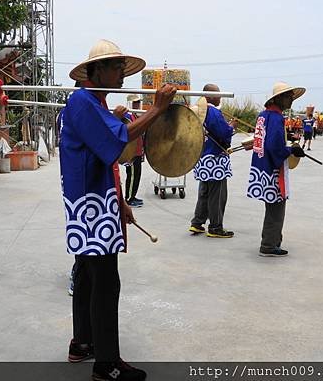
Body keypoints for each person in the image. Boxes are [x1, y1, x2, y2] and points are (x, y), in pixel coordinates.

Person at [62, 39, 176, 381]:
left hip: (93, 200)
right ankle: (106, 364)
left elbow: (99, 153)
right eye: (115, 67)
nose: (122, 74)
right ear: (94, 72)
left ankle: (82, 343)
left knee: (86, 277)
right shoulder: (83, 101)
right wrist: (156, 109)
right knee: (105, 283)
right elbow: (114, 144)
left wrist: (121, 200)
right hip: (91, 208)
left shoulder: (91, 103)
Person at [246, 82, 306, 256]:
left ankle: (272, 241)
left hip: (261, 166)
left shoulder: (263, 115)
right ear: (278, 98)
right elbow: (274, 146)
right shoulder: (276, 117)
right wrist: (291, 150)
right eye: (288, 97)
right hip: (272, 169)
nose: (291, 100)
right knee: (276, 207)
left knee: (272, 207)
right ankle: (269, 245)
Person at [189, 84, 236, 238]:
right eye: (218, 94)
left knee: (204, 192)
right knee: (217, 193)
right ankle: (215, 227)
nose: (220, 97)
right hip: (215, 159)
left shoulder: (199, 112)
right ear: (209, 96)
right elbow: (223, 133)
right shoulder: (213, 112)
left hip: (202, 157)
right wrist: (231, 127)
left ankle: (197, 222)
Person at [123, 95, 145, 208]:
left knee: (137, 175)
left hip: (138, 152)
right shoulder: (127, 116)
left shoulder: (137, 116)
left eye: (138, 103)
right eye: (135, 103)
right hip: (131, 153)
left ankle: (133, 195)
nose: (137, 105)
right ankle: (128, 199)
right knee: (131, 176)